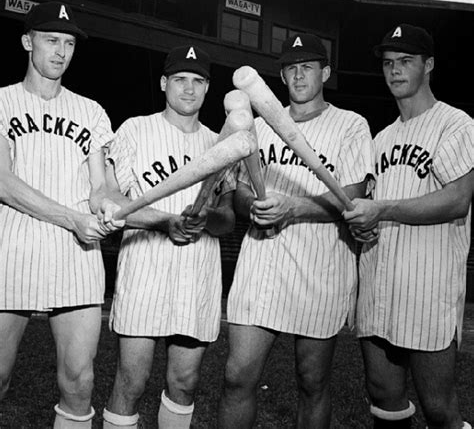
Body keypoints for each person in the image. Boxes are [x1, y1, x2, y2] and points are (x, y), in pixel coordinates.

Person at [218, 33, 374, 428]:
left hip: (319, 265)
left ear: (325, 72)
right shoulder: (257, 126)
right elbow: (238, 191)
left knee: (312, 381)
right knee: (237, 376)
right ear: (281, 77)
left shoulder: (351, 126)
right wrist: (251, 205)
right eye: (291, 69)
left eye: (307, 67)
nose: (299, 75)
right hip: (261, 263)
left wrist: (293, 208)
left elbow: (351, 199)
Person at [343, 24, 473, 429]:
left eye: (405, 61)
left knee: (439, 409)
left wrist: (380, 210)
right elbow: (370, 209)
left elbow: (456, 199)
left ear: (428, 65)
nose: (395, 71)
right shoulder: (380, 138)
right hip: (379, 285)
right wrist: (363, 226)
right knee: (384, 400)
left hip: (427, 290)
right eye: (388, 63)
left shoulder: (456, 124)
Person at [100, 45, 236, 429]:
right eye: (180, 80)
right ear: (164, 83)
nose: (189, 90)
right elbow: (112, 199)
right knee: (132, 381)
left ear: (208, 88)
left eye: (198, 81)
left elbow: (228, 218)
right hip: (145, 268)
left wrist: (209, 217)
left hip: (196, 274)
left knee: (185, 383)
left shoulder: (220, 143)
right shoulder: (135, 129)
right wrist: (164, 221)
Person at [0, 1, 122, 428]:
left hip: (76, 255)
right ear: (26, 41)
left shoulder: (91, 111)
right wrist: (72, 218)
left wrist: (107, 202)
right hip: (12, 249)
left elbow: (102, 184)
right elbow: (3, 183)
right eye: (51, 40)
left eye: (68, 43)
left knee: (79, 380)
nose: (60, 52)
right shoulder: (1, 102)